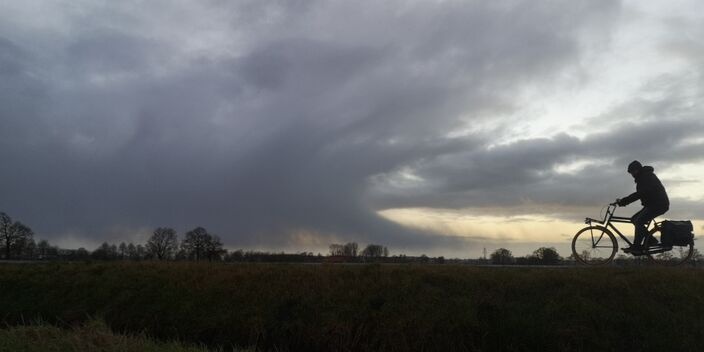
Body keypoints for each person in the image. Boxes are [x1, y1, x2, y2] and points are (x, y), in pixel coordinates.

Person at [616, 160, 669, 255]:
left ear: (637, 170)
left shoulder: (646, 177)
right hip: (652, 204)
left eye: (633, 171)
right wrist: (624, 201)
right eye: (631, 172)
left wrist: (625, 201)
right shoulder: (643, 177)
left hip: (659, 204)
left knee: (639, 221)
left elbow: (640, 194)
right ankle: (651, 240)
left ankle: (636, 247)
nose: (632, 174)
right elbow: (641, 193)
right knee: (634, 219)